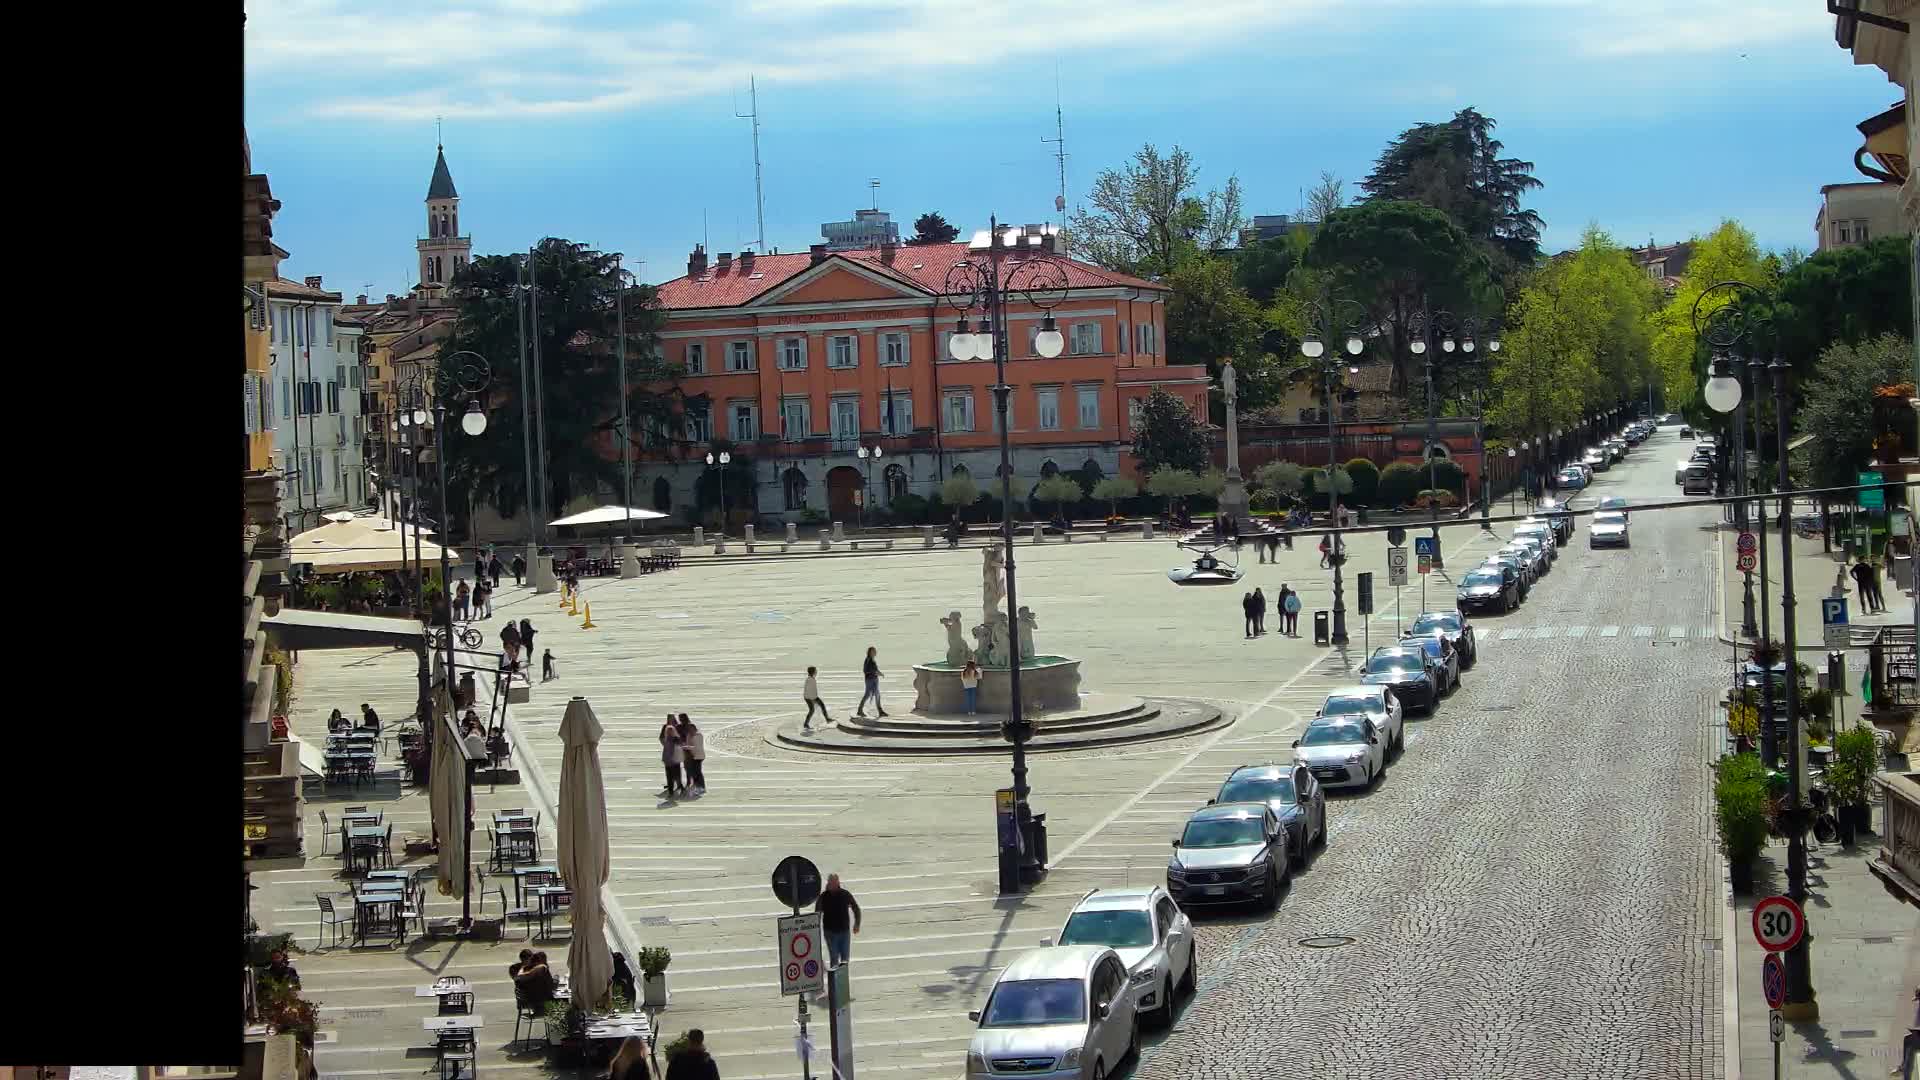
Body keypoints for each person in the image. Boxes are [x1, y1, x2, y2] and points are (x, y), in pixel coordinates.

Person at [814, 873, 862, 969]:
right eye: (830, 882)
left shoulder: (845, 894)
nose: (831, 884)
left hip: (844, 931)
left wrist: (857, 924)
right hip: (830, 932)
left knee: (845, 959)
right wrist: (816, 929)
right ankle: (834, 981)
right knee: (834, 958)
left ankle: (843, 981)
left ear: (837, 882)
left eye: (833, 882)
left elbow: (856, 908)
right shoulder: (823, 897)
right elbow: (817, 914)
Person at [855, 646, 888, 718]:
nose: (875, 652)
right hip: (870, 680)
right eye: (874, 651)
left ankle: (880, 711)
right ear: (870, 652)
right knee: (868, 695)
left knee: (877, 695)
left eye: (875, 651)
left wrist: (880, 673)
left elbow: (875, 669)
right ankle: (860, 710)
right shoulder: (868, 660)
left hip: (873, 679)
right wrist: (876, 673)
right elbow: (866, 670)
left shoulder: (872, 660)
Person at [678, 713, 707, 795]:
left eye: (690, 729)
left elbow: (696, 747)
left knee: (698, 773)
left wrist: (685, 747)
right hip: (694, 756)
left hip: (698, 756)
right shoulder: (690, 735)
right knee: (694, 772)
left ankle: (701, 787)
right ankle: (698, 787)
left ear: (694, 729)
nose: (689, 731)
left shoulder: (698, 735)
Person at [659, 716, 686, 797]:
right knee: (669, 776)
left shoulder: (676, 739)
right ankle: (671, 791)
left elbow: (680, 747)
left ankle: (680, 787)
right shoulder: (667, 739)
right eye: (668, 731)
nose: (669, 732)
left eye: (670, 731)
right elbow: (665, 750)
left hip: (674, 760)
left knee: (677, 775)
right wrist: (664, 759)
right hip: (668, 761)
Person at [802, 666, 832, 731]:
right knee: (813, 710)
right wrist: (813, 700)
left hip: (811, 697)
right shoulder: (810, 680)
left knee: (820, 706)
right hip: (809, 697)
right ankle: (806, 724)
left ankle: (827, 719)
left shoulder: (811, 679)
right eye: (816, 671)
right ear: (813, 672)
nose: (817, 672)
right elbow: (809, 691)